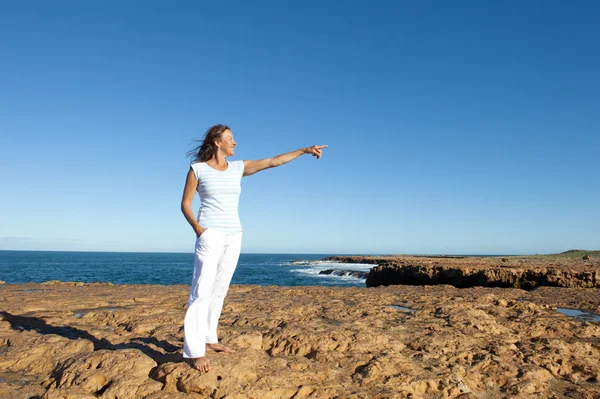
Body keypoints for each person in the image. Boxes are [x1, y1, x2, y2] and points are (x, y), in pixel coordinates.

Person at [180, 124, 327, 372]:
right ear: (217, 142)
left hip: (234, 234)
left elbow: (272, 161)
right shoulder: (198, 170)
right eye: (230, 139)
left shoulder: (239, 168)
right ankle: (193, 351)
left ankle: (209, 339)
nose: (235, 143)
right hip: (210, 234)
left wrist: (302, 150)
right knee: (201, 290)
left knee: (219, 289)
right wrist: (198, 229)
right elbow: (185, 204)